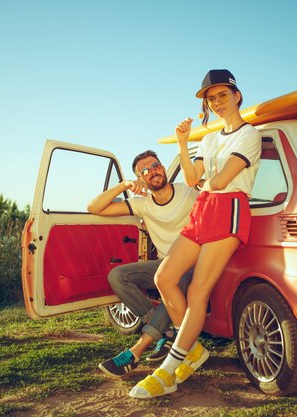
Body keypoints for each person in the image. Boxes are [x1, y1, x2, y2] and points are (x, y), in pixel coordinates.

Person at [129, 69, 261, 398]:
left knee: (198, 294)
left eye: (222, 95)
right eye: (210, 98)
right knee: (164, 277)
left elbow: (220, 181)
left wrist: (206, 179)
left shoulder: (249, 135)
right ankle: (193, 351)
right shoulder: (210, 138)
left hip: (228, 210)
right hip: (203, 209)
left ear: (237, 95)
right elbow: (192, 179)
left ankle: (168, 370)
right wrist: (184, 143)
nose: (216, 102)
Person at [87, 150, 199, 380]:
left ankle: (135, 351)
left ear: (164, 167)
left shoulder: (189, 193)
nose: (153, 171)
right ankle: (164, 331)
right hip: (163, 263)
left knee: (172, 282)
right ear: (141, 179)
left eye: (155, 165)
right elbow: (94, 208)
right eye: (144, 171)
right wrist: (124, 185)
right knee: (117, 276)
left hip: (193, 262)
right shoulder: (142, 204)